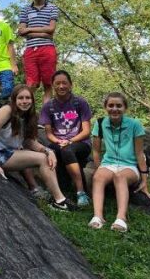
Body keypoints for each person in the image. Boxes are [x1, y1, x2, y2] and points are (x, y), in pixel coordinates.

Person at [0, 85, 76, 211]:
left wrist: (48, 151)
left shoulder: (29, 116)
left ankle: (55, 198)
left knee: (46, 156)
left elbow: (28, 141)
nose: (24, 101)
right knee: (42, 159)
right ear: (14, 100)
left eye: (28, 98)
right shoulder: (7, 110)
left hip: (10, 152)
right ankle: (60, 201)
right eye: (20, 98)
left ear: (32, 100)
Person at [89, 92, 150, 232]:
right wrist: (98, 168)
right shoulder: (100, 123)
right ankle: (98, 216)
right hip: (108, 163)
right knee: (98, 177)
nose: (114, 109)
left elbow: (139, 153)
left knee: (120, 176)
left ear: (125, 108)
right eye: (111, 105)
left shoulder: (135, 124)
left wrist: (144, 182)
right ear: (105, 107)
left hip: (129, 165)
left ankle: (121, 218)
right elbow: (95, 150)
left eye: (119, 105)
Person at [40, 70, 93, 207]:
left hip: (80, 142)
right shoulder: (48, 106)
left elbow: (86, 131)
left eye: (64, 83)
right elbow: (48, 134)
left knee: (67, 150)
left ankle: (80, 192)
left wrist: (70, 141)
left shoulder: (79, 103)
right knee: (48, 153)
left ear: (70, 85)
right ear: (53, 86)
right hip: (59, 142)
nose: (61, 86)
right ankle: (56, 190)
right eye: (57, 83)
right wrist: (59, 141)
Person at [18, 0, 59, 105]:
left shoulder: (52, 8)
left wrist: (29, 30)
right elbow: (21, 31)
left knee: (48, 83)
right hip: (30, 50)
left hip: (48, 49)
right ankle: (27, 114)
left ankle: (45, 117)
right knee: (32, 84)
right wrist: (44, 33)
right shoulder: (25, 10)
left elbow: (51, 29)